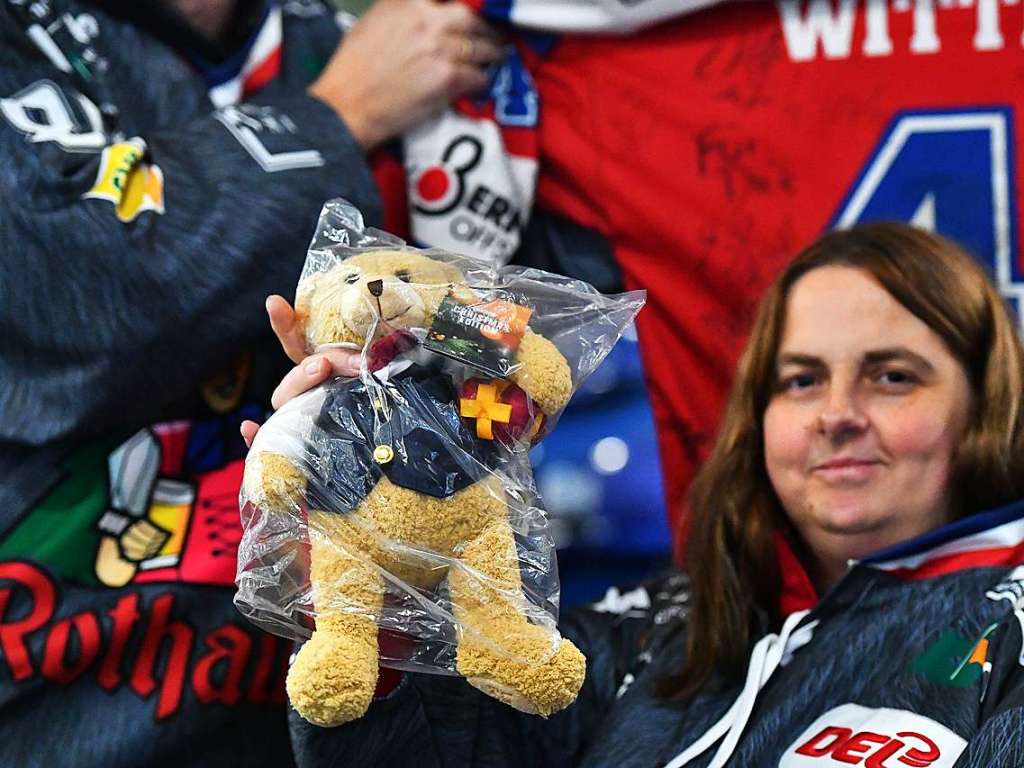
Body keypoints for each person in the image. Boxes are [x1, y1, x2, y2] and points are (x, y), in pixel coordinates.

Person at [252, 222, 1024, 767]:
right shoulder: (658, 631)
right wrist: (380, 576)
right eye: (801, 380)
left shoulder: (1009, 644)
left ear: (985, 407)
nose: (837, 415)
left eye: (894, 376)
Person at [0, 1, 500, 766]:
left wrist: (430, 386)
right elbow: (64, 297)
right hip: (54, 691)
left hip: (327, 691)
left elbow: (513, 343)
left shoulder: (400, 38)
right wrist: (341, 114)